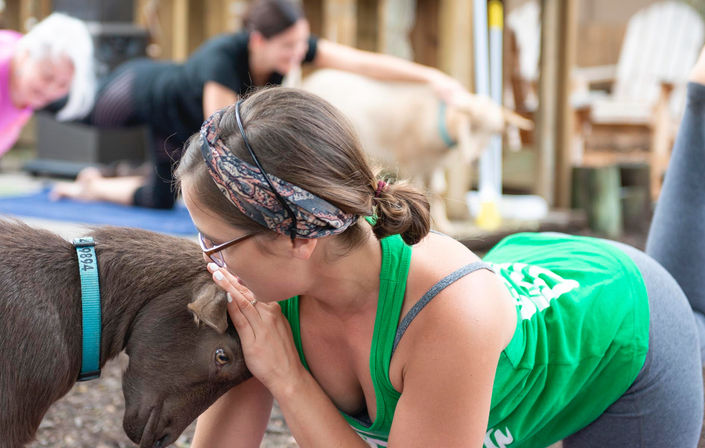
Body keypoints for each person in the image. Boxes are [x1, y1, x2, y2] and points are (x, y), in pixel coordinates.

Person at [172, 44, 705, 446]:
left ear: (295, 239)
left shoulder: (447, 313)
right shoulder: (264, 291)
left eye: (216, 240)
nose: (206, 258)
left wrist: (288, 379)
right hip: (512, 286)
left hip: (625, 331)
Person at [50, 0, 473, 209]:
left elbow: (364, 62)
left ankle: (90, 185)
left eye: (300, 43)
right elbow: (223, 140)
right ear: (258, 41)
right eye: (288, 46)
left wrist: (432, 76)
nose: (297, 53)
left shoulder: (286, 49)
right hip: (143, 89)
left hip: (177, 126)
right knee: (71, 107)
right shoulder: (221, 60)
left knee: (159, 199)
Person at [0, 13, 94, 157]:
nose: (51, 90)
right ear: (26, 55)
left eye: (63, 84)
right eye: (47, 77)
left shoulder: (27, 88)